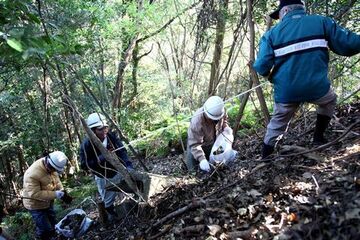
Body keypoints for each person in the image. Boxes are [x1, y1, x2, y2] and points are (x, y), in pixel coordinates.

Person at [253, 0, 360, 159]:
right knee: (329, 100)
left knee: (277, 124)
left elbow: (261, 66)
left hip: (287, 92)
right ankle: (318, 137)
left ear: (286, 10)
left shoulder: (271, 35)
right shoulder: (322, 22)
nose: (280, 18)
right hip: (316, 87)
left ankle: (265, 157)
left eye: (280, 14)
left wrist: (269, 74)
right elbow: (348, 44)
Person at [79, 113, 134, 221]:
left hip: (118, 169)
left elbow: (122, 150)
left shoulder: (111, 136)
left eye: (105, 127)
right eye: (100, 129)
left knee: (132, 185)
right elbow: (84, 165)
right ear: (93, 131)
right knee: (108, 200)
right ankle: (111, 216)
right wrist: (101, 158)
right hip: (102, 176)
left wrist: (128, 165)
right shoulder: (87, 145)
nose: (104, 131)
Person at [22, 151, 72, 240]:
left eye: (54, 169)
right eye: (52, 168)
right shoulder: (32, 174)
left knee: (53, 222)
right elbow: (35, 194)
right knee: (44, 228)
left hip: (48, 201)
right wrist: (55, 194)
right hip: (35, 205)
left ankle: (56, 236)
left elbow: (56, 181)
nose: (53, 171)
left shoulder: (52, 166)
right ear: (48, 161)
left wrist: (61, 191)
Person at [187, 96, 234, 172]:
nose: (215, 121)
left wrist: (226, 128)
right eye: (212, 119)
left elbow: (224, 120)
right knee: (193, 169)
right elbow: (195, 144)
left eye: (217, 119)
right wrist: (202, 159)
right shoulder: (197, 122)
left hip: (213, 141)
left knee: (214, 162)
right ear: (206, 113)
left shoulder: (221, 110)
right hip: (196, 145)